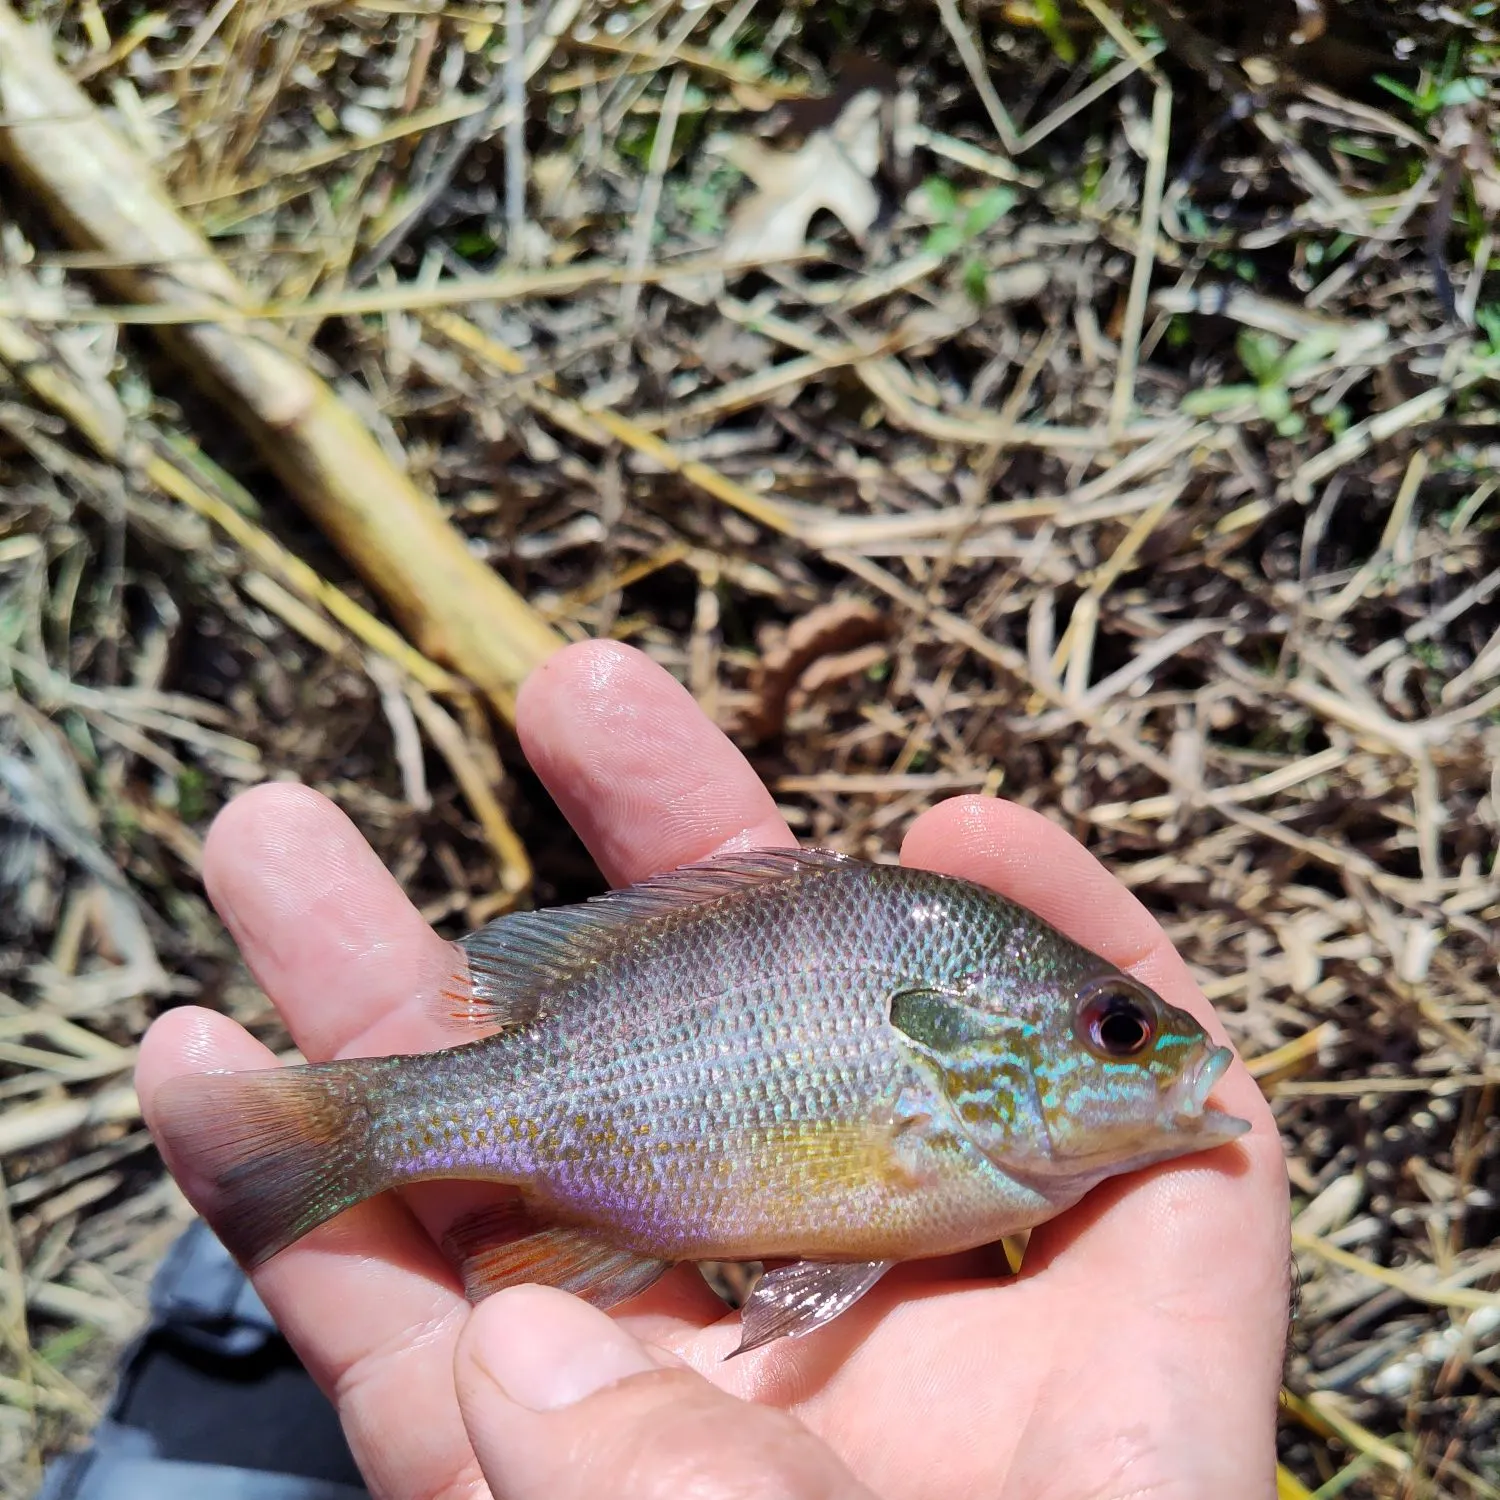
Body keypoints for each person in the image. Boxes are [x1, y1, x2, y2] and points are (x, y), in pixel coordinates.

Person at [136, 639, 1292, 1500]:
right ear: (968, 1044)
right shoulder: (964, 1160)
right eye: (1120, 1034)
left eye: (1122, 1031)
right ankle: (313, 1151)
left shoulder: (984, 1167)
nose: (1160, 1057)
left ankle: (266, 1217)